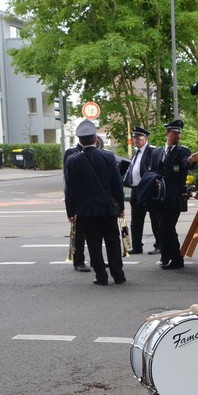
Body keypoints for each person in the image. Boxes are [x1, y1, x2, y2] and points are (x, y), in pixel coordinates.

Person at [64, 119, 126, 286]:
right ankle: (118, 275)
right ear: (95, 138)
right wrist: (121, 207)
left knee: (93, 243)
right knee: (113, 241)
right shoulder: (108, 156)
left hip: (85, 211)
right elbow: (117, 185)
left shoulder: (72, 161)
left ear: (79, 140)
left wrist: (70, 212)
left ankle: (101, 277)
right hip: (107, 208)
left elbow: (69, 190)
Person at [148, 118, 197, 269]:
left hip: (173, 198)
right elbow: (152, 171)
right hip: (158, 197)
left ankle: (176, 259)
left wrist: (190, 160)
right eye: (174, 133)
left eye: (179, 133)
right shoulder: (157, 152)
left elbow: (184, 164)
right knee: (163, 228)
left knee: (166, 227)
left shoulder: (182, 151)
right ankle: (165, 257)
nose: (177, 136)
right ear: (167, 133)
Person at [125, 126, 159, 254]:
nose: (136, 140)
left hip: (148, 190)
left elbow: (155, 169)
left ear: (146, 139)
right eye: (134, 138)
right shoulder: (136, 152)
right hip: (136, 189)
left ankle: (159, 245)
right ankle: (137, 246)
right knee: (136, 220)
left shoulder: (152, 151)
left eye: (139, 138)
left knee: (155, 218)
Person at [62, 139, 92, 272]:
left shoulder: (98, 151)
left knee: (96, 233)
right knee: (79, 234)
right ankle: (78, 260)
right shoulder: (71, 153)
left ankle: (97, 259)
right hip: (80, 200)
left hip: (95, 200)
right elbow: (69, 183)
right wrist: (70, 208)